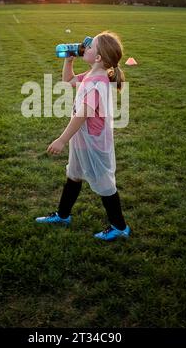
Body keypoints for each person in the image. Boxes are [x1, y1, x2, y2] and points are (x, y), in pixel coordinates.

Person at [35, 32, 131, 242]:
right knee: (74, 175)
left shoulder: (97, 82)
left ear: (97, 58)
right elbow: (67, 80)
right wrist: (68, 61)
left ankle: (120, 227)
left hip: (94, 142)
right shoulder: (90, 75)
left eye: (89, 46)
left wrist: (62, 140)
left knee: (105, 184)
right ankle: (62, 215)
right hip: (83, 138)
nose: (83, 47)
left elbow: (82, 114)